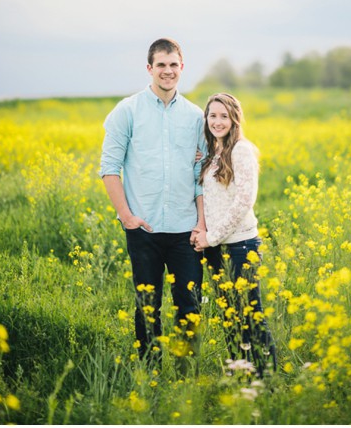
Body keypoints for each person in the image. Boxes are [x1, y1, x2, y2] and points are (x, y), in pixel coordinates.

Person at [99, 37, 205, 371]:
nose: (168, 71)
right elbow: (108, 168)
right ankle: (149, 369)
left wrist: (201, 223)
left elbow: (201, 175)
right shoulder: (127, 110)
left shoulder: (195, 116)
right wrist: (126, 216)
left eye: (174, 65)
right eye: (161, 65)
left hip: (184, 228)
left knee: (189, 303)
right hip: (142, 227)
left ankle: (185, 371)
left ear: (182, 68)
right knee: (147, 304)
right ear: (150, 69)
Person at [190, 93, 277, 376]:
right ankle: (241, 373)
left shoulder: (241, 149)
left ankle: (266, 378)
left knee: (250, 314)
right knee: (230, 315)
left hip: (240, 246)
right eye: (212, 116)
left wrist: (211, 237)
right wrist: (204, 232)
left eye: (223, 116)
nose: (217, 121)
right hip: (216, 247)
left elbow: (244, 201)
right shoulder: (212, 151)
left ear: (234, 118)